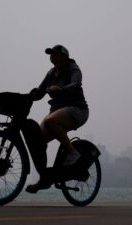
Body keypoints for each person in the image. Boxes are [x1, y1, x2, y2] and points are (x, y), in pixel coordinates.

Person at [26, 45, 89, 193]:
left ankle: (73, 153)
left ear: (64, 57)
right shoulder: (51, 73)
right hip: (57, 111)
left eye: (54, 54)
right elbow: (40, 93)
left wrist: (60, 89)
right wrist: (29, 96)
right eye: (50, 54)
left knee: (50, 121)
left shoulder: (73, 68)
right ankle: (44, 179)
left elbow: (76, 84)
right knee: (37, 140)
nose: (51, 56)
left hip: (77, 110)